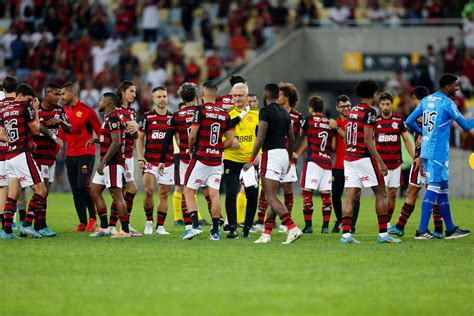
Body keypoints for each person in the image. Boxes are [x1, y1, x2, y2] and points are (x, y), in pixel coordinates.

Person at [405, 73, 474, 239]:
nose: (457, 88)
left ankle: (449, 228)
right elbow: (465, 126)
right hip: (438, 152)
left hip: (427, 149)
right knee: (434, 187)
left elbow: (409, 121)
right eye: (455, 85)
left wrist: (423, 132)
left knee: (442, 188)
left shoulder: (427, 100)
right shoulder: (448, 104)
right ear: (448, 86)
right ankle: (422, 230)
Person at [341, 79, 401, 244]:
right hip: (363, 157)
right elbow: (368, 140)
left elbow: (347, 133)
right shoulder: (370, 112)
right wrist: (381, 163)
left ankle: (345, 235)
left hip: (349, 157)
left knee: (350, 196)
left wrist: (349, 149)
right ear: (373, 94)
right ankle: (383, 235)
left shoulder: (353, 110)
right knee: (381, 193)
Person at [243, 83, 303, 245]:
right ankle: (266, 234)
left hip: (271, 155)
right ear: (277, 96)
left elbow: (260, 138)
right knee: (273, 197)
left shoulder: (265, 111)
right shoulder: (284, 112)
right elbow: (291, 138)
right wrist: (289, 158)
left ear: (265, 94)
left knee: (269, 195)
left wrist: (251, 159)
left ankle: (292, 228)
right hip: (283, 155)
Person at [388, 86, 444, 238]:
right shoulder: (433, 111)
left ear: (414, 98)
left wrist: (421, 156)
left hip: (423, 158)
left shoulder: (420, 112)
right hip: (430, 157)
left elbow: (427, 136)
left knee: (417, 191)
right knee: (427, 192)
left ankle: (403, 227)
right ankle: (437, 229)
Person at [182, 81, 234, 241]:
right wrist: (218, 148)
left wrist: (191, 149)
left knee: (189, 190)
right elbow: (230, 140)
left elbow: (192, 135)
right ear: (217, 96)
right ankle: (216, 232)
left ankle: (195, 226)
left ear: (201, 95)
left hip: (201, 157)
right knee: (214, 195)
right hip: (217, 160)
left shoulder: (200, 110)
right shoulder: (225, 114)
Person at [88, 93, 141, 238]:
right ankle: (105, 228)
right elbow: (110, 138)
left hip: (112, 163)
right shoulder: (110, 117)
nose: (99, 101)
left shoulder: (113, 118)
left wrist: (103, 162)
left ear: (106, 102)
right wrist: (97, 141)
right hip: (112, 162)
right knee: (94, 191)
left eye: (101, 99)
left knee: (117, 195)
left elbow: (116, 142)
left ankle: (124, 230)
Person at [0, 84, 47, 239]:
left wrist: (14, 141)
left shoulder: (4, 110)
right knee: (41, 190)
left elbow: (1, 133)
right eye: (28, 99)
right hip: (21, 155)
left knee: (13, 194)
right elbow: (36, 130)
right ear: (20, 95)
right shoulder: (26, 108)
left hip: (9, 156)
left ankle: (6, 231)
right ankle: (26, 224)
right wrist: (36, 110)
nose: (29, 102)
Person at [159, 83, 199, 236]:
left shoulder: (176, 116)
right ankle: (216, 227)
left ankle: (190, 226)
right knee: (210, 192)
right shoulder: (202, 111)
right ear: (196, 96)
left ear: (181, 98)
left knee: (184, 191)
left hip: (184, 157)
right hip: (201, 157)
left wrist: (162, 160)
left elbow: (167, 139)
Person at [31, 83, 71, 236]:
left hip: (51, 157)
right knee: (42, 190)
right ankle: (39, 225)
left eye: (60, 94)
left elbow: (70, 128)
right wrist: (54, 137)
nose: (59, 97)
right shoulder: (36, 109)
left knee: (45, 192)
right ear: (46, 94)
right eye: (56, 94)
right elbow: (36, 126)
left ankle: (38, 224)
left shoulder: (59, 111)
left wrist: (60, 122)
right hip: (38, 155)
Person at [61, 83, 101, 232]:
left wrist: (103, 151)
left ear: (72, 94)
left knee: (82, 185)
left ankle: (93, 218)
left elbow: (100, 131)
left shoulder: (87, 111)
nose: (61, 97)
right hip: (70, 155)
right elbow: (62, 134)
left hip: (86, 153)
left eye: (63, 94)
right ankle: (82, 222)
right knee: (75, 190)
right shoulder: (63, 111)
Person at [223, 82, 258, 238]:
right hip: (231, 160)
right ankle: (232, 228)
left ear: (247, 97)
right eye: (234, 95)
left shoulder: (256, 115)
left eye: (240, 95)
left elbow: (261, 138)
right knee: (230, 193)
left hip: (249, 162)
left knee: (252, 194)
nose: (237, 98)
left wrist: (259, 154)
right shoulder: (226, 115)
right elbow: (218, 135)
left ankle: (247, 229)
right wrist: (228, 139)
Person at [137, 86, 174, 235]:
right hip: (150, 161)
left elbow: (178, 138)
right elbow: (140, 138)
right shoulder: (147, 117)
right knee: (148, 191)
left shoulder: (173, 118)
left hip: (167, 162)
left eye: (164, 96)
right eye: (158, 97)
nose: (162, 99)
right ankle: (148, 222)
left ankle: (160, 226)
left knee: (164, 193)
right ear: (153, 99)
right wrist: (140, 157)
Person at [294, 96, 334, 234]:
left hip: (313, 160)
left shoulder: (308, 119)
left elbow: (302, 133)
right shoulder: (329, 122)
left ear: (311, 108)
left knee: (307, 192)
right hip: (327, 161)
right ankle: (325, 227)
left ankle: (309, 226)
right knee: (326, 195)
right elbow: (333, 145)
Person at [375, 92, 414, 224]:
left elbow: (407, 141)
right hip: (381, 165)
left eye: (388, 104)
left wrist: (414, 157)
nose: (385, 107)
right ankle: (383, 223)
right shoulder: (375, 121)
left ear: (392, 104)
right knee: (382, 194)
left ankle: (388, 222)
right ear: (379, 105)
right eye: (383, 104)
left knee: (392, 194)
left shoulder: (399, 120)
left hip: (396, 164)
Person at [328, 95, 360, 233]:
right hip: (339, 165)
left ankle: (351, 225)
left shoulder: (355, 122)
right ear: (337, 108)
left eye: (348, 105)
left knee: (354, 195)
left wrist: (336, 129)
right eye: (342, 106)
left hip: (353, 164)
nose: (346, 108)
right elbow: (333, 146)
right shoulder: (334, 123)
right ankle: (341, 221)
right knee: (335, 195)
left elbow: (350, 139)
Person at [111, 81, 139, 234]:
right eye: (131, 91)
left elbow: (135, 136)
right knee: (121, 191)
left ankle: (121, 225)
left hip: (128, 155)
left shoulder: (132, 112)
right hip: (116, 156)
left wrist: (135, 131)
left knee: (125, 192)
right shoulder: (114, 110)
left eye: (135, 92)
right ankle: (115, 226)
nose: (134, 95)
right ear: (122, 92)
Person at [0, 76, 17, 236]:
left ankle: (5, 223)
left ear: (4, 90)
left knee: (4, 187)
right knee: (19, 187)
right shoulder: (20, 104)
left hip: (2, 152)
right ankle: (18, 222)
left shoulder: (0, 106)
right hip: (18, 151)